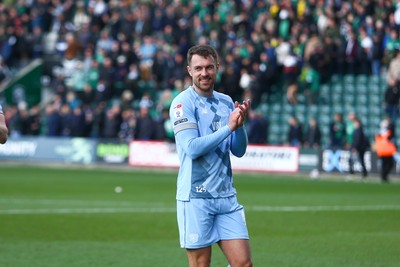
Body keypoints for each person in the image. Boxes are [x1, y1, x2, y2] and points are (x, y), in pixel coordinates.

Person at [169, 44, 253, 267]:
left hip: (226, 196)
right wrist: (228, 128)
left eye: (209, 67)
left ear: (217, 67)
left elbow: (239, 150)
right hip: (196, 197)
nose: (204, 73)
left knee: (243, 264)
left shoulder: (226, 101)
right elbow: (192, 148)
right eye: (198, 68)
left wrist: (240, 125)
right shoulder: (182, 103)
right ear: (189, 71)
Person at [375, 117, 396, 182]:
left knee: (385, 164)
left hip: (382, 150)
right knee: (389, 164)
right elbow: (391, 134)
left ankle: (383, 176)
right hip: (386, 150)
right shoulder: (386, 132)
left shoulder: (380, 132)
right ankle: (384, 176)